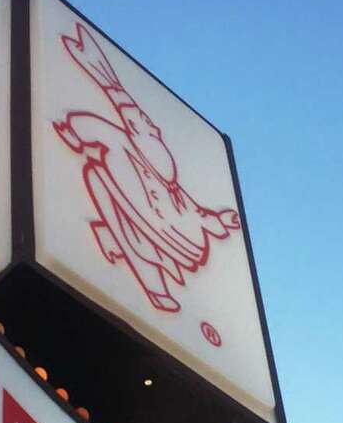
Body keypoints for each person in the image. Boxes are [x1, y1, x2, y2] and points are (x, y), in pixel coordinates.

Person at [53, 22, 240, 313]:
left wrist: (220, 220)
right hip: (150, 221)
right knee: (134, 242)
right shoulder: (122, 154)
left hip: (171, 232)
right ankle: (149, 284)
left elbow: (199, 214)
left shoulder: (156, 166)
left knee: (139, 246)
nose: (149, 128)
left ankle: (152, 288)